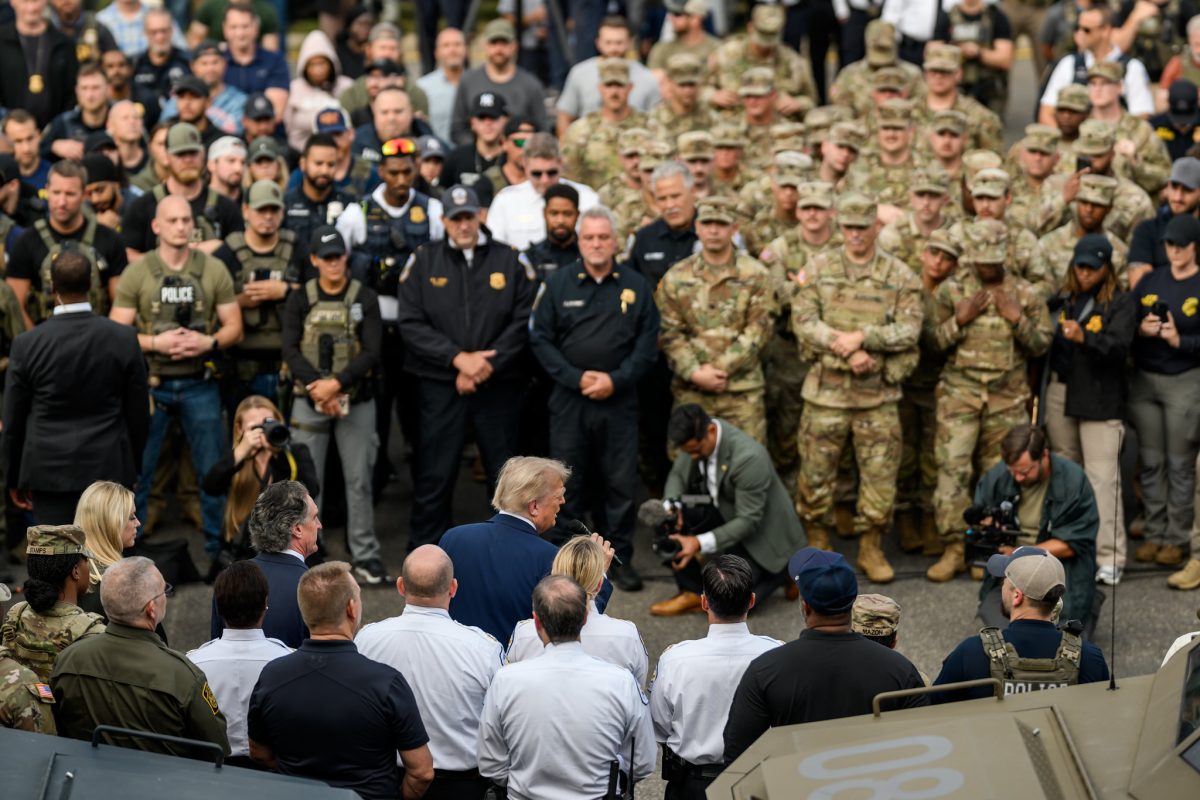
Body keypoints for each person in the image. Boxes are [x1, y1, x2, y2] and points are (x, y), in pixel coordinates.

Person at [396, 185, 535, 553]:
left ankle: (512, 555)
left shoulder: (509, 260)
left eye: (469, 216)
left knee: (506, 478)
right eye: (455, 218)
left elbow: (524, 319)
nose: (463, 224)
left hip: (499, 383)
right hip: (442, 384)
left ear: (480, 216)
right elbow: (410, 322)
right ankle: (423, 561)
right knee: (434, 476)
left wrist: (486, 363)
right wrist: (458, 359)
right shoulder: (424, 260)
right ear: (443, 220)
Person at [792, 192, 922, 581]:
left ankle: (871, 548)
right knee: (816, 475)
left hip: (876, 396)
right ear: (839, 226)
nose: (854, 235)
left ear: (876, 227)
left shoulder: (899, 275)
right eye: (848, 227)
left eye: (862, 227)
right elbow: (803, 320)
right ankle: (819, 544)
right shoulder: (817, 268)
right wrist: (845, 348)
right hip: (825, 394)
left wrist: (865, 337)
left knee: (880, 477)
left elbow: (911, 329)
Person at [529, 206, 659, 589]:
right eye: (590, 237)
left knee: (619, 483)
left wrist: (615, 380)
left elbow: (648, 346)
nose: (597, 244)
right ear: (580, 241)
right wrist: (575, 377)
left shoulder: (635, 286)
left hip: (619, 400)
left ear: (616, 242)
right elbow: (540, 338)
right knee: (569, 483)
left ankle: (619, 558)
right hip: (570, 400)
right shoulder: (558, 284)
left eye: (604, 237)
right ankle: (569, 560)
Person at [109, 195, 242, 559]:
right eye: (173, 220)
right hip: (152, 386)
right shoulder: (138, 272)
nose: (182, 226)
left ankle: (219, 552)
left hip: (200, 382)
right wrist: (156, 341)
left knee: (212, 472)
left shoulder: (213, 269)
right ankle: (127, 557)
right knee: (139, 473)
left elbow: (235, 326)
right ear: (156, 226)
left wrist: (208, 341)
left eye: (187, 220)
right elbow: (115, 332)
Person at [925, 221, 1054, 582]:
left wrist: (1017, 320)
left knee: (998, 474)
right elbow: (932, 341)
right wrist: (959, 319)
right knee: (951, 470)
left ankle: (989, 548)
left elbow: (1042, 343)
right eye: (981, 262)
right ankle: (953, 546)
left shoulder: (1025, 293)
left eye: (993, 262)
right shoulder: (953, 290)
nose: (987, 269)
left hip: (1006, 396)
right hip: (959, 393)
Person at [722, 548, 929, 764]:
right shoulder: (900, 670)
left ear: (805, 606)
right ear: (852, 605)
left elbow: (738, 756)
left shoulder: (765, 670)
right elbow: (925, 747)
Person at [248, 561, 434, 799]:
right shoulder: (386, 682)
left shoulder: (271, 677)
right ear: (351, 608)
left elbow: (259, 752)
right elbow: (422, 772)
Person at [478, 574, 656, 797]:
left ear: (536, 622)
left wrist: (522, 782)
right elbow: (642, 761)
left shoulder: (505, 681)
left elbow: (490, 762)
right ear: (584, 618)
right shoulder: (621, 682)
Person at [4, 250, 145, 526]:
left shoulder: (27, 344)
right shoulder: (123, 338)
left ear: (52, 287)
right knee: (106, 558)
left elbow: (13, 420)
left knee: (55, 560)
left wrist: (13, 477)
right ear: (91, 285)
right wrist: (133, 470)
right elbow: (138, 413)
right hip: (109, 468)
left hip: (48, 472)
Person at [355, 545, 502, 800]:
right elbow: (499, 720)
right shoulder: (483, 648)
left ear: (400, 586)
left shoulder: (367, 639)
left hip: (385, 780)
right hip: (460, 787)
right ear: (453, 588)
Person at [281, 228, 384, 586]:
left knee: (359, 479)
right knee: (307, 484)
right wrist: (318, 388)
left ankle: (366, 553)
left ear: (346, 257)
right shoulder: (301, 298)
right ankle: (306, 552)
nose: (333, 263)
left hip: (355, 399)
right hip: (309, 397)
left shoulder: (364, 297)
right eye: (326, 257)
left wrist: (336, 384)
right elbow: (290, 348)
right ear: (314, 260)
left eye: (338, 255)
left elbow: (372, 350)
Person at [51, 556, 231, 755]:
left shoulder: (68, 661)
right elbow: (217, 748)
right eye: (165, 591)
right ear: (151, 610)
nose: (166, 596)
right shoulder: (182, 676)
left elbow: (58, 728)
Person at [439, 456, 614, 643]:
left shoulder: (453, 537)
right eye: (558, 495)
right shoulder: (549, 558)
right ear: (534, 506)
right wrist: (599, 572)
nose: (563, 501)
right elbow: (569, 627)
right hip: (511, 667)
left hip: (452, 659)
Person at [653, 405, 808, 616]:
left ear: (710, 432)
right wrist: (673, 506)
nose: (693, 457)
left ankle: (782, 571)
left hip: (760, 532)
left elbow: (748, 520)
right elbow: (678, 476)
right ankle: (692, 590)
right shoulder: (695, 439)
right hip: (719, 503)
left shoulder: (749, 457)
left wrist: (697, 543)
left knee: (734, 604)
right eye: (689, 453)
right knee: (662, 518)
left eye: (696, 451)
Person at [1044, 235, 1136, 586]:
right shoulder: (1065, 297)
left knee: (1102, 480)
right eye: (1079, 266)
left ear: (1106, 268)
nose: (1084, 273)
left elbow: (1120, 348)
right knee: (1067, 478)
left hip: (1099, 397)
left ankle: (1110, 556)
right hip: (1060, 391)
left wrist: (1086, 338)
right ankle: (1071, 549)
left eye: (1092, 268)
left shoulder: (1122, 301)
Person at [650, 555, 782, 799]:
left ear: (703, 603)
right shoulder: (777, 655)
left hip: (693, 785)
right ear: (752, 601)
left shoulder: (675, 660)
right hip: (758, 782)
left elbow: (659, 726)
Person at [657, 196, 776, 444]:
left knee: (746, 466)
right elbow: (669, 332)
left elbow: (759, 329)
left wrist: (720, 368)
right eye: (707, 222)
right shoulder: (677, 277)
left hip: (741, 391)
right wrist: (695, 372)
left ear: (734, 228)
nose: (713, 230)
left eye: (721, 224)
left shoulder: (756, 275)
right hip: (692, 390)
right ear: (697, 227)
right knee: (688, 468)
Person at [932, 547, 1109, 701]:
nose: (1001, 586)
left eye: (1004, 582)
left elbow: (931, 710)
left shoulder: (971, 652)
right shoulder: (1090, 657)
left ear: (1017, 596)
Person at [1130, 213, 1200, 582]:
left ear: (1194, 247)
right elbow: (1126, 316)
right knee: (1151, 460)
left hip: (1184, 378)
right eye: (1169, 245)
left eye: (1181, 245)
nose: (1174, 251)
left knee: (1180, 462)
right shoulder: (1152, 279)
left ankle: (1176, 537)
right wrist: (1141, 327)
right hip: (1146, 379)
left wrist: (1181, 341)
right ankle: (1155, 532)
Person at [973, 424, 1100, 627]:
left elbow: (1072, 543)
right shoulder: (998, 476)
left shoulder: (1073, 481)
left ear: (1044, 455)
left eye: (1025, 471)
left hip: (1058, 568)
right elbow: (981, 515)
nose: (1018, 478)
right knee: (1002, 630)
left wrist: (1019, 554)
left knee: (1062, 631)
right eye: (1013, 472)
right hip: (1012, 571)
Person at [187, 560, 289, 766]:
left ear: (220, 607)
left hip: (214, 768)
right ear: (265, 604)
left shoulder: (193, 662)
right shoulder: (287, 660)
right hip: (272, 770)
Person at [506, 535, 647, 683]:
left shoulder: (524, 633)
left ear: (553, 577)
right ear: (600, 585)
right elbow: (637, 688)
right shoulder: (626, 635)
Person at [6, 160, 127, 330]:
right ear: (46, 190)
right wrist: (40, 345)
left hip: (97, 339)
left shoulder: (110, 239)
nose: (62, 202)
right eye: (56, 193)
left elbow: (121, 303)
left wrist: (103, 343)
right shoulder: (27, 242)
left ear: (84, 195)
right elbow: (16, 306)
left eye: (70, 194)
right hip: (44, 342)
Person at [202, 396, 319, 558]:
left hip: (290, 544)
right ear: (239, 429)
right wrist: (239, 454)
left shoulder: (296, 452)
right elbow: (210, 487)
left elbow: (313, 490)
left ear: (279, 421)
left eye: (269, 423)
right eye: (256, 427)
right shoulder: (237, 460)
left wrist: (278, 454)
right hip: (245, 549)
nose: (265, 431)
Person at [211, 180, 296, 403]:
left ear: (282, 212)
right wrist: (237, 302)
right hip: (240, 367)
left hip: (286, 366)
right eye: (261, 209)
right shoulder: (227, 252)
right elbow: (206, 300)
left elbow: (322, 291)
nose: (268, 216)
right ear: (246, 210)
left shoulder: (296, 247)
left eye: (274, 209)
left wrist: (286, 290)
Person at [120, 122, 244, 260]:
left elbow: (241, 254)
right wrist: (173, 256)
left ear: (203, 154)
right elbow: (127, 255)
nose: (188, 160)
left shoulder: (226, 208)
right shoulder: (143, 206)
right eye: (180, 154)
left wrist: (221, 247)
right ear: (167, 157)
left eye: (193, 153)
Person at [1, 525, 105, 682]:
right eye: (86, 561)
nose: (88, 567)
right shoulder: (94, 633)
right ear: (76, 571)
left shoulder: (15, 614)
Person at [1039, 5, 1155, 123]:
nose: (1080, 33)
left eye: (1086, 30)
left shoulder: (1131, 67)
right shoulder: (1069, 63)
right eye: (1077, 28)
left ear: (1105, 31)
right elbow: (1046, 112)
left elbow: (1142, 115)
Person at [487, 134, 599, 251]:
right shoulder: (506, 200)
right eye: (537, 173)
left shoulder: (586, 197)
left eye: (551, 172)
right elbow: (495, 248)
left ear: (560, 163)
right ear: (525, 165)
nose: (544, 180)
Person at [556, 16, 662, 137]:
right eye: (608, 42)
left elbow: (656, 122)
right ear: (598, 43)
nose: (613, 49)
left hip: (633, 147)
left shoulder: (647, 78)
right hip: (590, 148)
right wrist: (567, 150)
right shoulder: (579, 73)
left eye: (619, 43)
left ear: (629, 43)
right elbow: (564, 116)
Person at [448, 19, 548, 146]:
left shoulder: (531, 85)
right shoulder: (468, 81)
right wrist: (481, 148)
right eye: (494, 43)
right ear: (484, 46)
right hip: (477, 157)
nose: (499, 49)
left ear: (514, 46)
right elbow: (457, 129)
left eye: (504, 43)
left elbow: (542, 131)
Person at [0, 0, 80, 129]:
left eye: (35, 1)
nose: (31, 8)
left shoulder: (64, 43)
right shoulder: (2, 41)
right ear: (13, 2)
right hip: (8, 134)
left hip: (57, 133)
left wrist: (57, 130)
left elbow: (72, 91)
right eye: (25, 2)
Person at [72, 481, 138, 618]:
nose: (138, 523)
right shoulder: (117, 585)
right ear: (112, 523)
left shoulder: (68, 567)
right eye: (131, 517)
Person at [1128, 157, 1200, 282]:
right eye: (1174, 187)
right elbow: (1139, 284)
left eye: (1187, 190)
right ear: (1167, 187)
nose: (1178, 197)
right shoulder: (1147, 230)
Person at [222, 2, 289, 120]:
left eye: (245, 26)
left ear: (256, 28)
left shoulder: (274, 61)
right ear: (225, 29)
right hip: (224, 134)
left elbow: (275, 113)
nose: (240, 34)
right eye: (234, 27)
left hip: (266, 132)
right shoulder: (217, 62)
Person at [416, 28, 466, 145]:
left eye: (457, 44)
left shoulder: (476, 83)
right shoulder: (422, 87)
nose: (452, 50)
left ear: (466, 49)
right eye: (446, 45)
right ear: (436, 52)